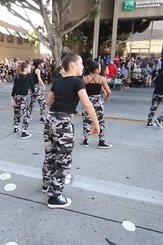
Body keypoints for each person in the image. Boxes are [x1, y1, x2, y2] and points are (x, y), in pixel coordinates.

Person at [42, 53, 99, 209]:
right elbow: (87, 104)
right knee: (63, 159)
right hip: (63, 123)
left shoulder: (58, 80)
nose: (82, 67)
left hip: (50, 120)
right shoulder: (77, 81)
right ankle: (55, 196)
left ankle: (47, 184)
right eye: (81, 64)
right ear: (73, 65)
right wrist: (96, 123)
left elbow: (48, 102)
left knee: (50, 154)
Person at [82, 58, 112, 149]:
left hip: (87, 101)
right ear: (96, 69)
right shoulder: (101, 78)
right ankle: (101, 140)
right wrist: (106, 97)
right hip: (98, 102)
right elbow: (109, 91)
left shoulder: (84, 79)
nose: (100, 69)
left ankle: (86, 140)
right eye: (99, 68)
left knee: (86, 120)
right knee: (100, 121)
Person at [11, 61, 35, 139]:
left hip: (16, 96)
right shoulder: (29, 76)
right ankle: (24, 132)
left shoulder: (17, 76)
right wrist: (33, 93)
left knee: (16, 112)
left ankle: (15, 127)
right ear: (25, 68)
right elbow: (32, 87)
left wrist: (12, 97)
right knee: (26, 114)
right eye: (29, 68)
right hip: (24, 97)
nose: (30, 69)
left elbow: (14, 87)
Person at [147, 62, 163, 128]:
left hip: (156, 93)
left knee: (153, 108)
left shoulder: (158, 76)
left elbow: (154, 84)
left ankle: (149, 122)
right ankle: (160, 118)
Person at [28, 59, 47, 123]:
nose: (42, 65)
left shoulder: (34, 70)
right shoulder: (38, 70)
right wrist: (43, 85)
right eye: (41, 64)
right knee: (43, 102)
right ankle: (42, 117)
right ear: (38, 64)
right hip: (36, 88)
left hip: (32, 88)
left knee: (32, 103)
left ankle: (27, 116)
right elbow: (39, 79)